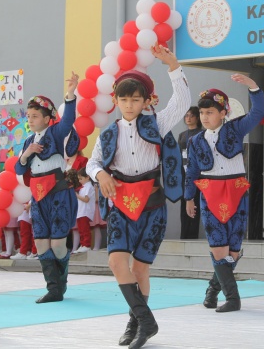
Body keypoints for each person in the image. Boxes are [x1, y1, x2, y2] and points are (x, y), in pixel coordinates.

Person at [86, 43, 190, 349]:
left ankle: (136, 323)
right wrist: (101, 174)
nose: (128, 105)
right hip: (119, 204)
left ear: (145, 101)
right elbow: (92, 163)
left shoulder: (156, 124)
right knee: (117, 262)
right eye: (123, 99)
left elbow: (181, 103)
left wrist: (174, 66)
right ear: (116, 100)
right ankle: (147, 321)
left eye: (135, 99)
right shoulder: (107, 133)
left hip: (153, 204)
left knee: (141, 268)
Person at [184, 77, 264, 313]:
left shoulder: (235, 128)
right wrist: (189, 198)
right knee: (218, 247)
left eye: (210, 112)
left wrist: (253, 86)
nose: (204, 117)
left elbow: (258, 111)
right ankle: (233, 298)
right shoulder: (195, 140)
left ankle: (212, 289)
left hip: (237, 191)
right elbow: (191, 171)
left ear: (223, 113)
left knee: (233, 251)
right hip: (209, 193)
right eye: (202, 113)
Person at [15, 73, 80, 304]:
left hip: (59, 192)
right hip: (38, 195)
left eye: (35, 116)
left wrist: (71, 94)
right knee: (41, 241)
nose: (31, 120)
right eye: (29, 116)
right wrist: (27, 154)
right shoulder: (27, 141)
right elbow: (19, 169)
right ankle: (53, 288)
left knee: (58, 243)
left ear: (46, 118)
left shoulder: (56, 132)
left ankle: (60, 283)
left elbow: (68, 119)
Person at [178, 106, 203, 239]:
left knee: (195, 206)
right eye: (186, 115)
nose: (188, 118)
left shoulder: (202, 133)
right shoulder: (182, 135)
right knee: (184, 205)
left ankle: (193, 236)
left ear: (197, 118)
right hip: (184, 174)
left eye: (191, 115)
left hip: (198, 176)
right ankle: (184, 235)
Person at [71, 167, 96, 254]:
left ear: (88, 177)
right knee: (81, 229)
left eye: (81, 179)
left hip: (85, 212)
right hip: (81, 212)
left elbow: (86, 199)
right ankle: (83, 244)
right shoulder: (83, 187)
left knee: (85, 229)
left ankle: (87, 245)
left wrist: (76, 195)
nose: (80, 181)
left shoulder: (89, 186)